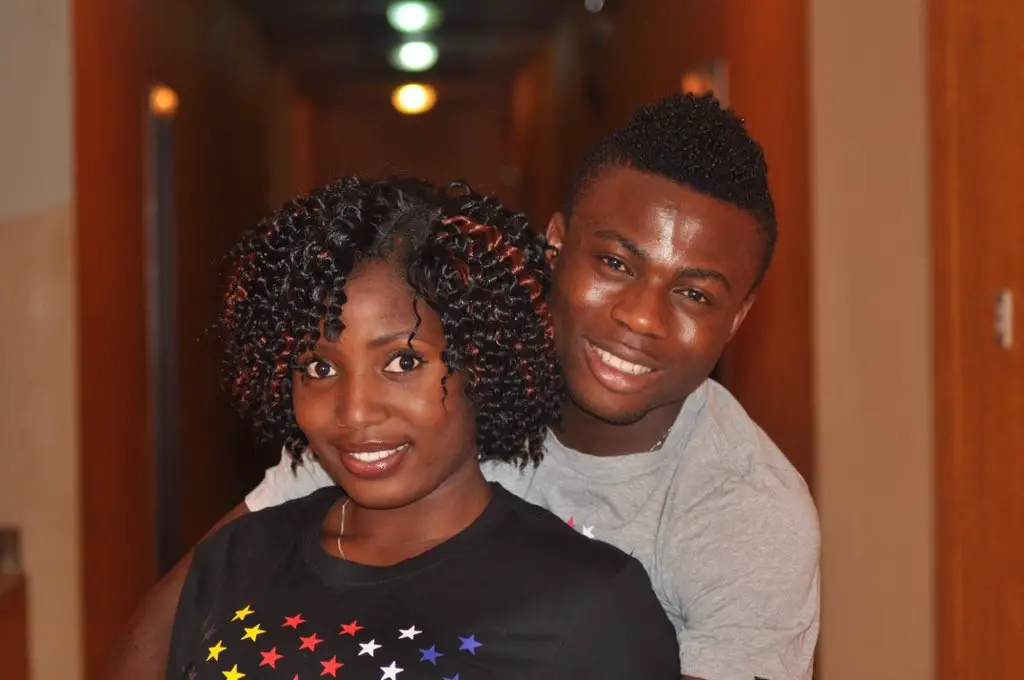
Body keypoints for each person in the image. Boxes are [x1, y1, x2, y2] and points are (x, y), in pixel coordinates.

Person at [109, 93, 819, 680]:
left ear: (739, 317)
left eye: (694, 294)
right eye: (615, 263)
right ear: (555, 246)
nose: (641, 317)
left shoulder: (745, 516)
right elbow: (185, 616)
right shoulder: (403, 404)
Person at [164, 177, 681, 680]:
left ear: (482, 363)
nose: (356, 412)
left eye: (403, 362)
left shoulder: (590, 604)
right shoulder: (234, 561)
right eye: (319, 368)